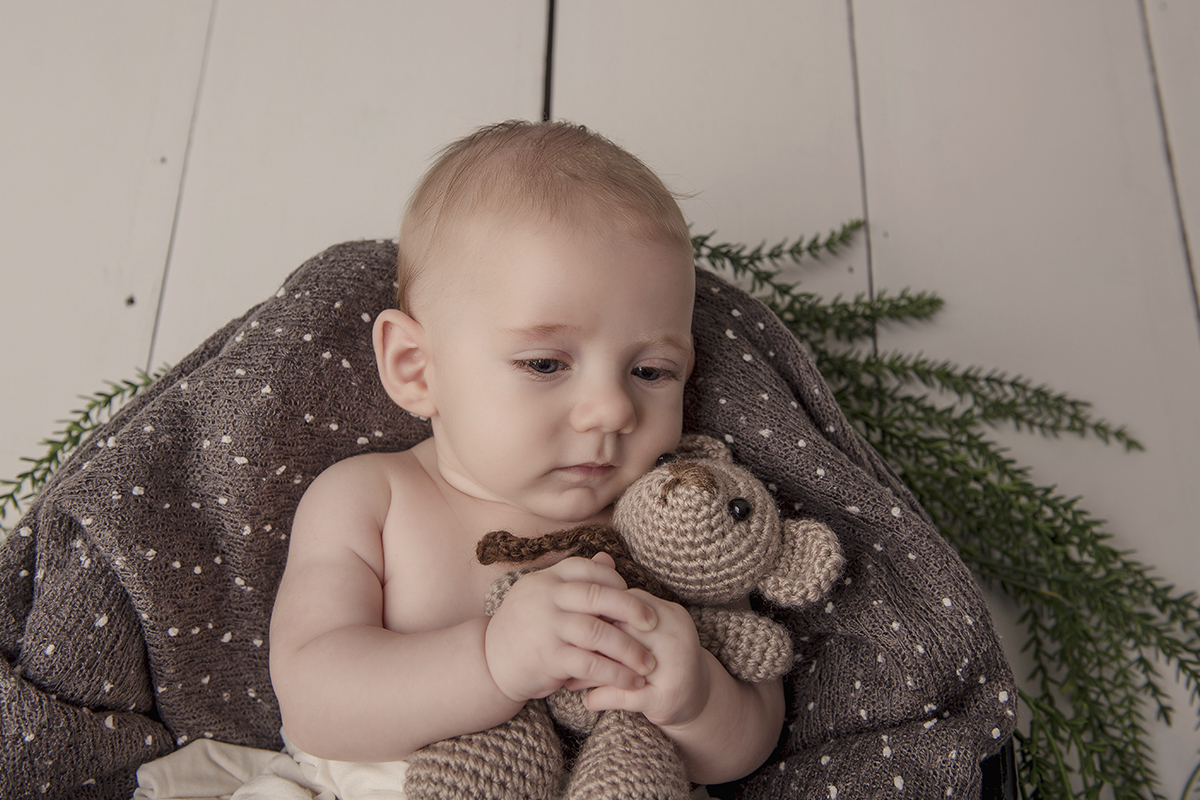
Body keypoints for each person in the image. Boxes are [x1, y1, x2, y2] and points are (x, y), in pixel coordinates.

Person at [267, 120, 785, 789]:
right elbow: (312, 701)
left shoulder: (670, 522)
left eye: (652, 371)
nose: (613, 411)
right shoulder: (371, 500)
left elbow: (755, 737)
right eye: (545, 362)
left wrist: (697, 700)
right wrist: (492, 662)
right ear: (416, 368)